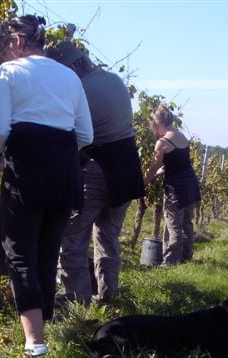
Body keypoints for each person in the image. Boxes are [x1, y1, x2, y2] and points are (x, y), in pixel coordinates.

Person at [0, 16, 93, 356]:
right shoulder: (70, 76)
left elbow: (0, 130)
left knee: (19, 253)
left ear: (17, 41)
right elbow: (86, 135)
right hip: (65, 173)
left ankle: (35, 345)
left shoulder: (7, 73)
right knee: (48, 253)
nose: (5, 51)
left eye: (7, 44)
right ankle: (42, 332)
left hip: (26, 172)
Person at [46, 41, 145, 305]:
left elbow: (68, 136)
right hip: (126, 169)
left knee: (72, 235)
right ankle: (108, 295)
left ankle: (75, 299)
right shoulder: (113, 80)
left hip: (99, 167)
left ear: (76, 64)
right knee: (108, 237)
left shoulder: (80, 90)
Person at [144, 104, 201, 266]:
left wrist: (143, 182)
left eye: (154, 127)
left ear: (158, 124)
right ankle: (186, 257)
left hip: (175, 188)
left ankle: (170, 262)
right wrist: (158, 174)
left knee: (173, 225)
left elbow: (154, 166)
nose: (155, 130)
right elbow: (177, 163)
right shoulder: (181, 136)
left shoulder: (162, 143)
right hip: (190, 184)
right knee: (186, 223)